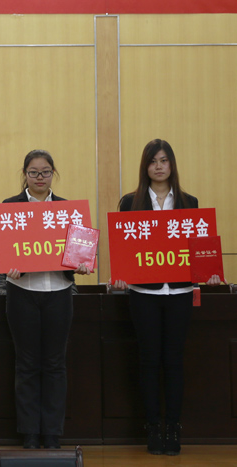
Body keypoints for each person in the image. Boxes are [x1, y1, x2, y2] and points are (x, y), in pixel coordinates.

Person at [110, 139, 220, 456]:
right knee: (148, 361)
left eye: (164, 160)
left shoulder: (188, 202)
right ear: (145, 167)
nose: (158, 166)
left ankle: (173, 426)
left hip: (180, 292)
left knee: (173, 362)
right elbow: (124, 249)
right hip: (143, 293)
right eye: (153, 161)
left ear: (172, 165)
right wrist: (120, 275)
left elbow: (200, 247)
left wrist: (209, 272)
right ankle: (153, 427)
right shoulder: (130, 203)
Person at [2, 150, 90, 450]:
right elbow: (3, 251)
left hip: (59, 292)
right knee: (26, 364)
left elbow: (79, 254)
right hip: (22, 291)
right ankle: (29, 433)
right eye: (33, 172)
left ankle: (52, 433)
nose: (40, 177)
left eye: (45, 172)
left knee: (55, 364)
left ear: (53, 173)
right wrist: (8, 265)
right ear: (24, 174)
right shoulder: (10, 208)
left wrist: (82, 264)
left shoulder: (69, 210)